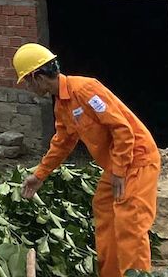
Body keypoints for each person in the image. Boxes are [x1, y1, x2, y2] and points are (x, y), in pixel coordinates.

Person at [12, 43, 160, 277]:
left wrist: (119, 171)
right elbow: (62, 142)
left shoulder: (85, 89)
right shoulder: (62, 105)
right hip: (117, 164)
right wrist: (39, 175)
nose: (28, 87)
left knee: (130, 225)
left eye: (28, 82)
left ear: (38, 77)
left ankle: (137, 274)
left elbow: (122, 130)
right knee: (104, 209)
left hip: (137, 160)